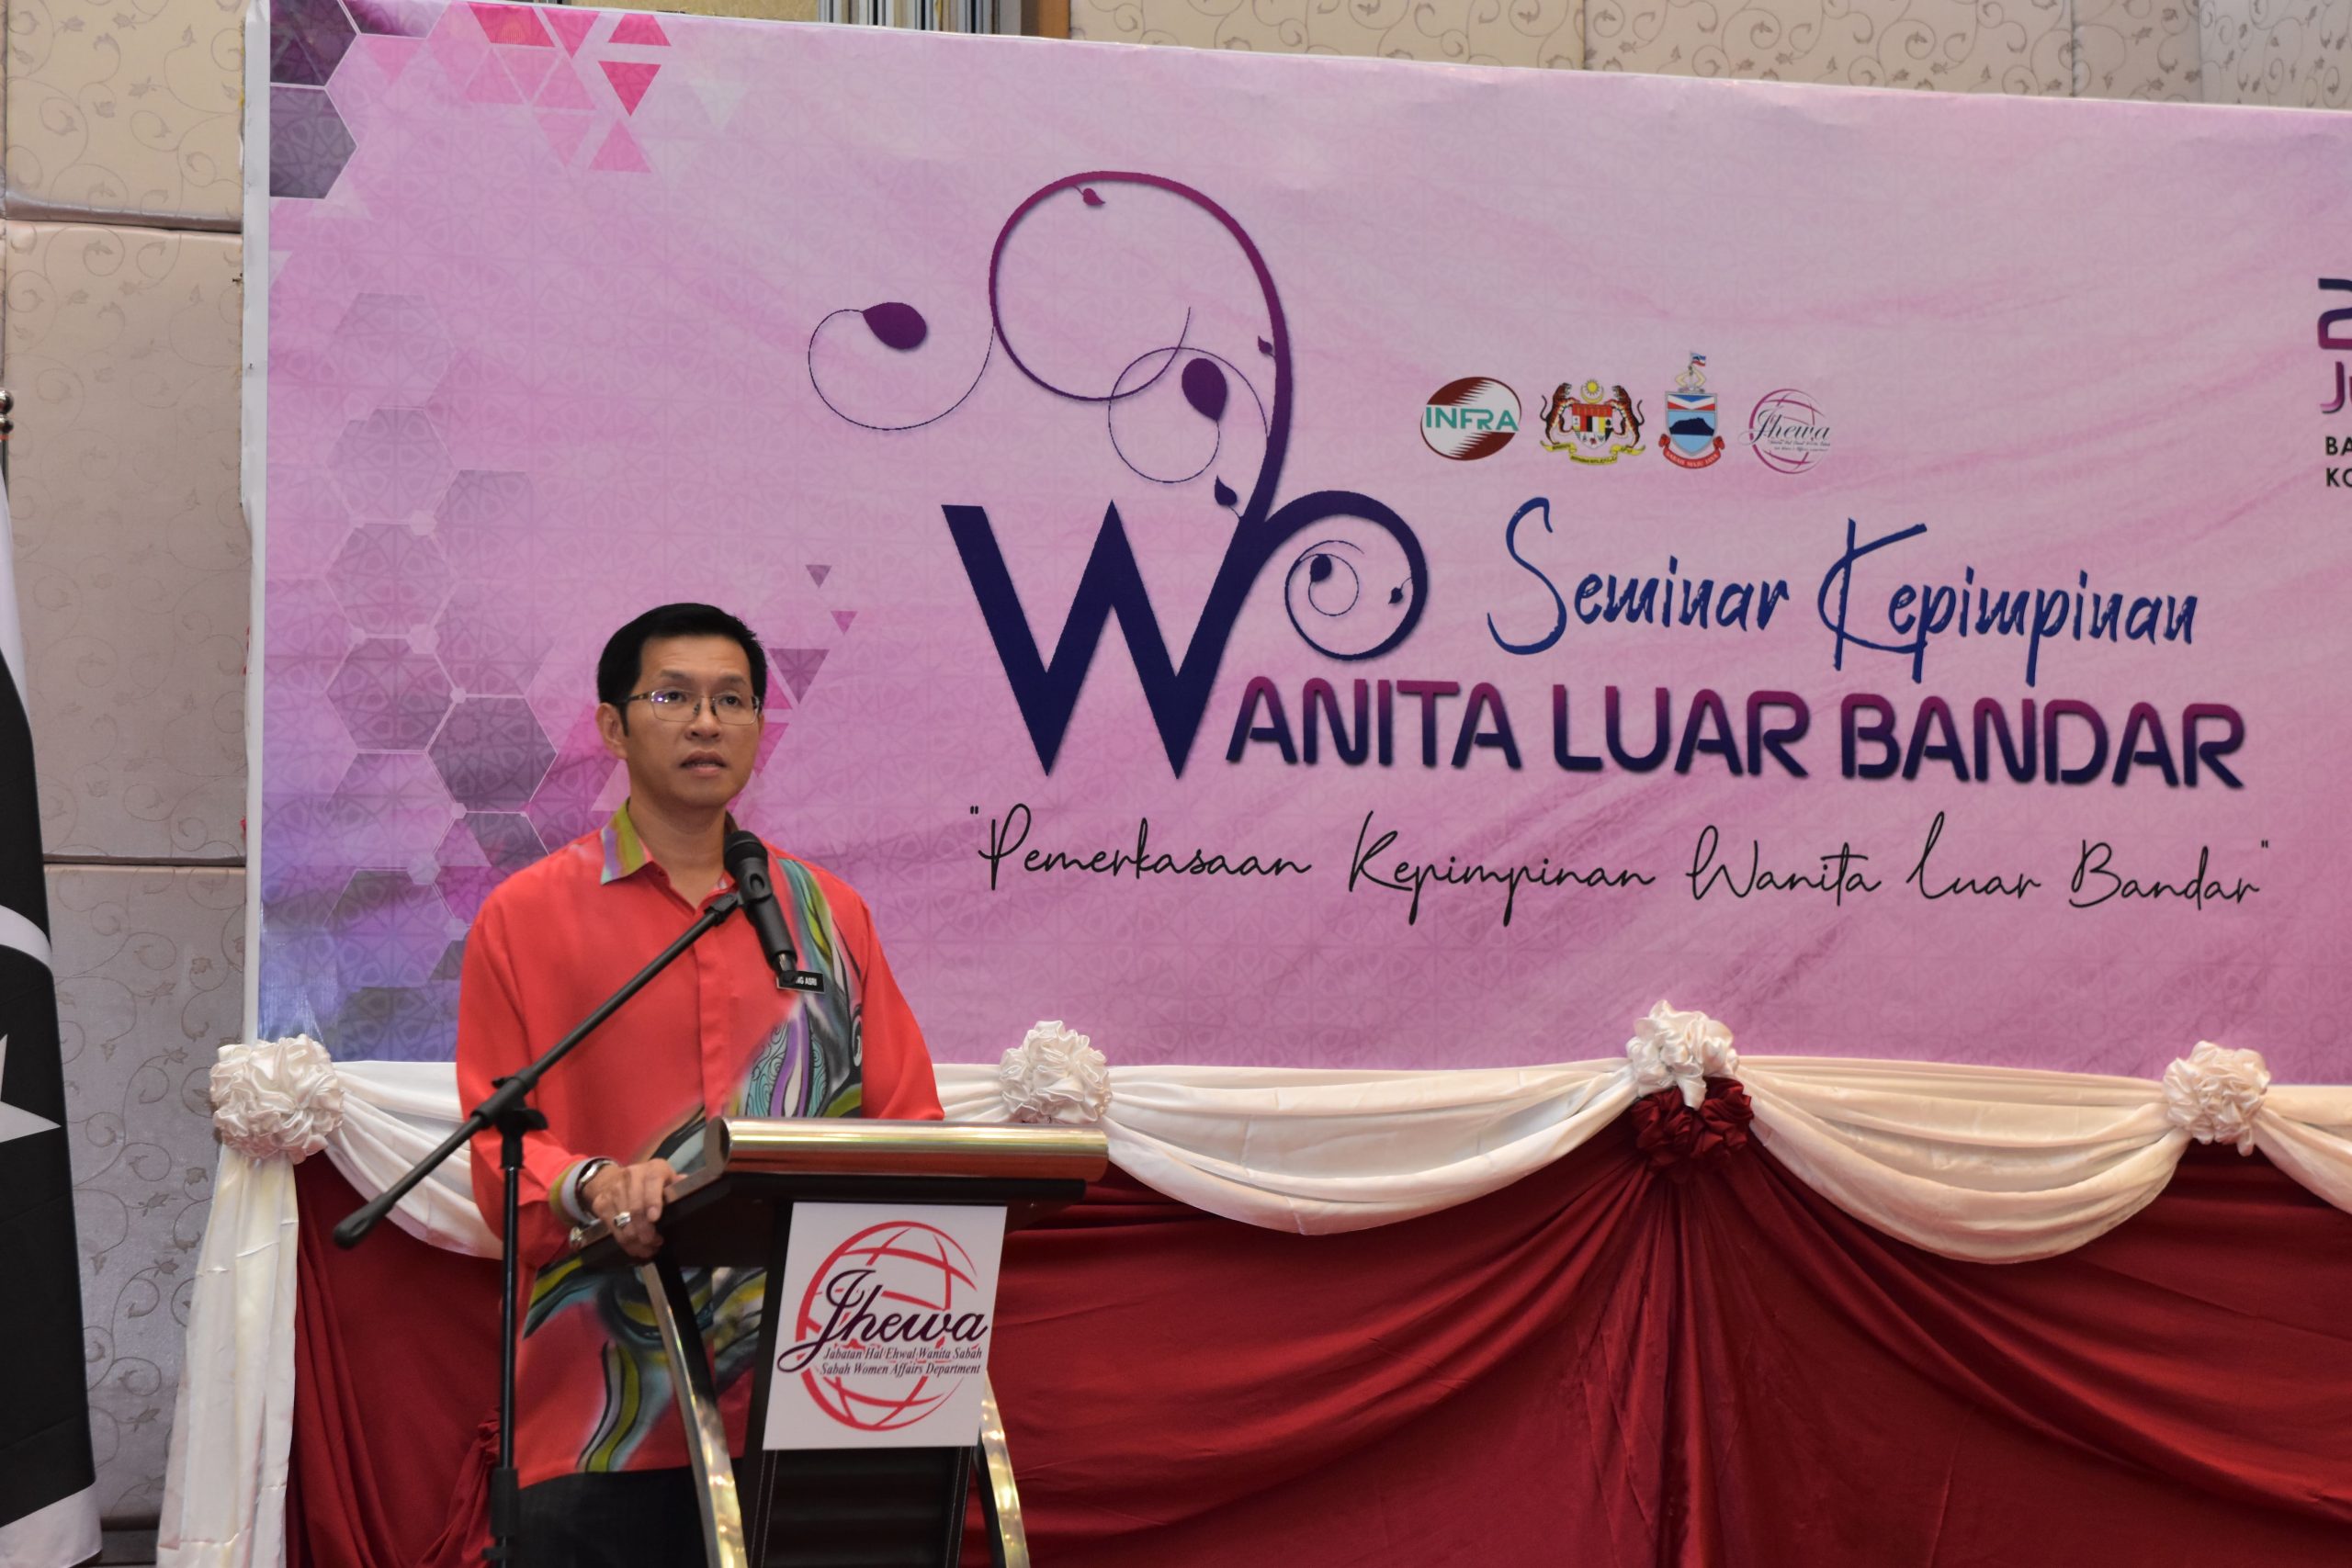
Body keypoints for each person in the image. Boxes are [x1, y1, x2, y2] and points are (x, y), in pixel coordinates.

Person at [455, 602, 942, 1566]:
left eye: (733, 700)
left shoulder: (827, 915)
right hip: (603, 1407)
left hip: (812, 1400)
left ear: (759, 726)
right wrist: (597, 1184)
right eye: (673, 697)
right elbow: (499, 1150)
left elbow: (908, 1123)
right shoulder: (525, 916)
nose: (707, 722)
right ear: (613, 726)